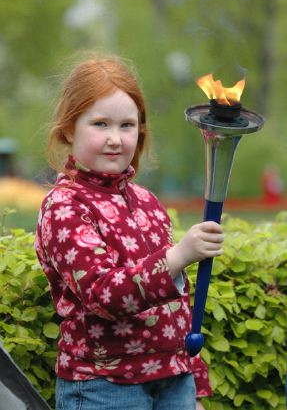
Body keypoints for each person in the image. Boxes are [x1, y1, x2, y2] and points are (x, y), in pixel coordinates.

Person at [35, 54, 224, 410]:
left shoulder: (147, 201)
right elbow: (103, 295)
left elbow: (178, 308)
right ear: (69, 128)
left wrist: (194, 383)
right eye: (100, 124)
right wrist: (179, 255)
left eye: (127, 125)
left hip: (173, 383)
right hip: (105, 388)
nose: (115, 139)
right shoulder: (65, 206)